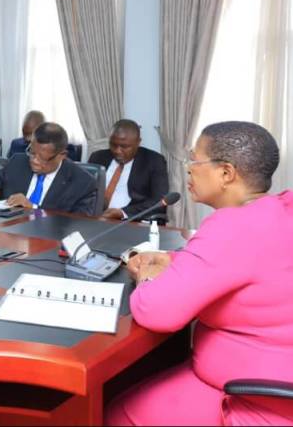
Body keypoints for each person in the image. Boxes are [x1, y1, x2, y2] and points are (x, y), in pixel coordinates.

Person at [106, 122, 293, 426]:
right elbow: (248, 265)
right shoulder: (282, 208)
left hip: (254, 401)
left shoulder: (232, 227)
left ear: (226, 173)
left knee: (117, 410)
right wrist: (173, 260)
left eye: (194, 161)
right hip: (279, 377)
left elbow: (157, 312)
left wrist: (148, 275)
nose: (188, 170)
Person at [0, 122, 97, 215]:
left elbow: (79, 225)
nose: (34, 160)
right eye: (32, 152)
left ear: (62, 155)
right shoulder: (18, 161)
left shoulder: (83, 183)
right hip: (7, 234)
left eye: (42, 158)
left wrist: (34, 208)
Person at [89, 119, 169, 220]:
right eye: (113, 145)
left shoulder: (154, 161)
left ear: (138, 142)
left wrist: (123, 213)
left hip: (129, 221)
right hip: (93, 217)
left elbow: (159, 202)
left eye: (124, 146)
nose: (117, 151)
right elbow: (85, 191)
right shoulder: (97, 157)